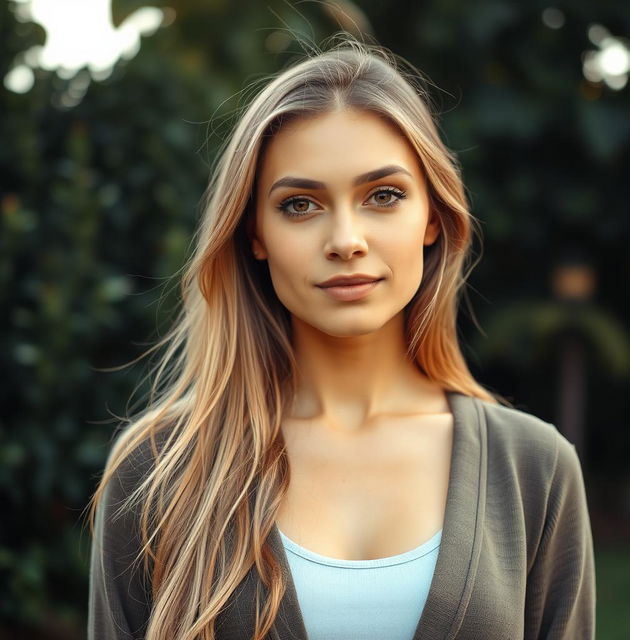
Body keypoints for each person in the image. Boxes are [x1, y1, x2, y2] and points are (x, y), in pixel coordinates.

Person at [86, 35, 596, 640]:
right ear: (254, 235)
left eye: (384, 196)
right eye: (300, 205)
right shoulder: (159, 472)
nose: (345, 239)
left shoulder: (534, 469)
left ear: (433, 217)